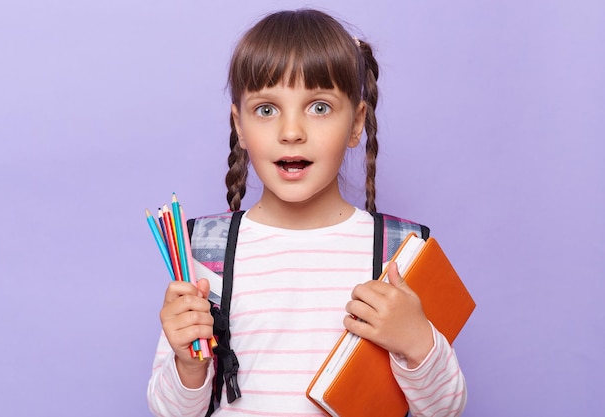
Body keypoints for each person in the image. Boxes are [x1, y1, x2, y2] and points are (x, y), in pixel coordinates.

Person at [147, 8, 467, 417]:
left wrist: (418, 343)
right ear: (239, 125)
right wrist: (188, 366)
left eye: (319, 107)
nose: (291, 131)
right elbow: (170, 410)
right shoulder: (206, 250)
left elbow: (446, 409)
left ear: (356, 124)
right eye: (266, 109)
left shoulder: (399, 254)